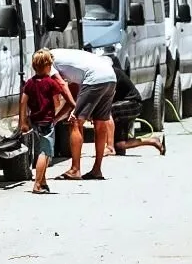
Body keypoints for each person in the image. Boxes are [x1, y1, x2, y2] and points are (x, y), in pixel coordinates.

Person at [50, 47, 119, 180]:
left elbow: (62, 87)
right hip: (110, 77)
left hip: (94, 78)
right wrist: (57, 118)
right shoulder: (65, 57)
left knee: (75, 122)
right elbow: (74, 95)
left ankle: (75, 170)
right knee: (100, 122)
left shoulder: (49, 62)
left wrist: (74, 112)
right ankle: (97, 169)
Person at [17, 49, 73, 193]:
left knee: (42, 149)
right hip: (47, 121)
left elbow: (23, 102)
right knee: (45, 153)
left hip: (35, 121)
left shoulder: (29, 83)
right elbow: (56, 103)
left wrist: (23, 121)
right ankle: (37, 184)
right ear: (48, 65)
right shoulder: (51, 83)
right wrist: (58, 111)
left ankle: (43, 181)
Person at [107, 53, 166, 157]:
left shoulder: (113, 75)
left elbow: (108, 98)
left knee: (107, 111)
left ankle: (109, 147)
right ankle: (153, 141)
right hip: (122, 108)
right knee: (120, 146)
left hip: (133, 104)